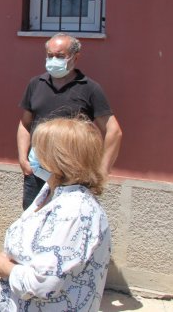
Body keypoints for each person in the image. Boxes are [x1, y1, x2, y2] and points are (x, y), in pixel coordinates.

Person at [0, 118, 112, 311]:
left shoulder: (74, 212)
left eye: (39, 148)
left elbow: (45, 284)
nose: (32, 153)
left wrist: (5, 268)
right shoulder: (52, 191)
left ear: (59, 158)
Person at [18, 33, 122, 209]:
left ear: (75, 57)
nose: (53, 60)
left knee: (67, 227)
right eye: (50, 55)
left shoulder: (90, 88)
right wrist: (23, 159)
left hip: (72, 176)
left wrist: (102, 171)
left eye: (60, 56)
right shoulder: (36, 84)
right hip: (37, 172)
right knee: (33, 223)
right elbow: (24, 124)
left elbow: (114, 131)